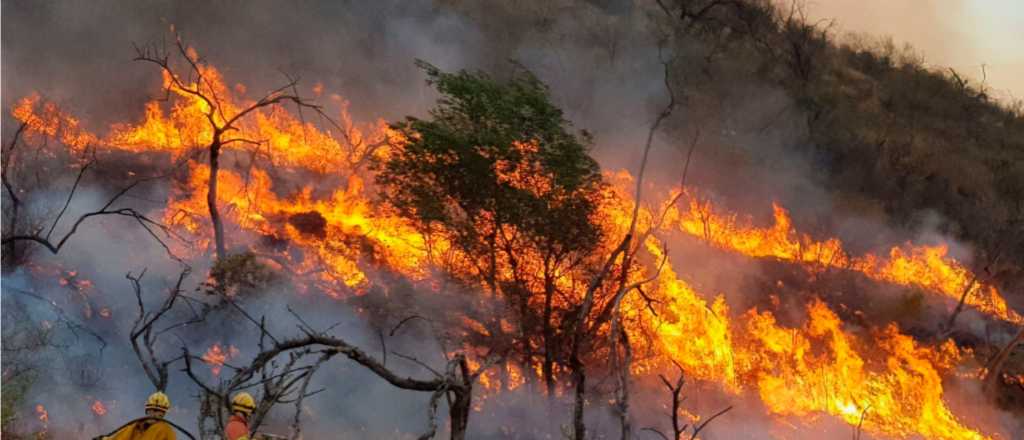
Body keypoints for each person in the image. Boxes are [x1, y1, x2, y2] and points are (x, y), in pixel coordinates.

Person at [102, 391, 176, 440]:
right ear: (147, 411)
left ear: (163, 414)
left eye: (159, 412)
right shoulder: (136, 426)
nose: (155, 414)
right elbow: (119, 438)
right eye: (152, 410)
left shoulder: (166, 430)